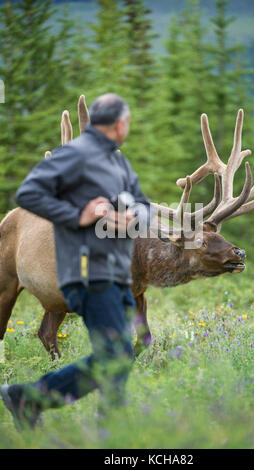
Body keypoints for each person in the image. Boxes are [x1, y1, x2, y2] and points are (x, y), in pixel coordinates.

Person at [0, 93, 151, 431]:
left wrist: (132, 216)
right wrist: (80, 215)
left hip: (116, 272)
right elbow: (29, 195)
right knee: (115, 355)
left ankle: (105, 423)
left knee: (120, 354)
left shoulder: (118, 162)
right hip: (87, 273)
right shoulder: (72, 156)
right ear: (120, 123)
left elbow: (144, 204)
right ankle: (31, 398)